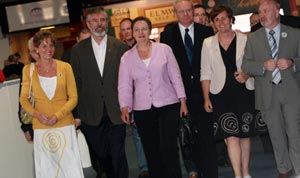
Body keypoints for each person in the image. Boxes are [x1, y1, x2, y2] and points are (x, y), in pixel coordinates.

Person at [201, 5, 267, 178]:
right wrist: (206, 97)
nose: (221, 22)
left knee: (245, 135)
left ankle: (245, 172)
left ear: (231, 19)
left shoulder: (245, 39)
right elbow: (205, 72)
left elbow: (256, 63)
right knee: (230, 136)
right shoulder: (208, 43)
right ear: (213, 24)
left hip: (244, 91)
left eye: (224, 18)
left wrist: (247, 74)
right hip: (220, 94)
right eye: (217, 20)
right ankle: (237, 175)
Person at [118, 16, 188, 178]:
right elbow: (124, 86)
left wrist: (182, 100)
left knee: (168, 146)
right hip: (142, 110)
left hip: (168, 105)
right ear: (131, 34)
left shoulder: (164, 49)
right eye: (137, 30)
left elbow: (175, 76)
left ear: (150, 31)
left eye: (144, 29)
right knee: (151, 149)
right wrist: (124, 108)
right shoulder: (126, 58)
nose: (140, 32)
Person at [242, 0, 300, 177]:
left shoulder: (295, 34)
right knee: (276, 134)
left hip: (290, 91)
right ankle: (284, 168)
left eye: (266, 11)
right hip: (267, 93)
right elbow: (246, 65)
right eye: (260, 12)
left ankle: (298, 170)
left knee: (294, 132)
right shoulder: (253, 37)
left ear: (277, 12)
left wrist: (292, 62)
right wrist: (262, 66)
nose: (262, 15)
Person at [70, 6, 129, 178]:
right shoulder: (78, 50)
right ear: (88, 24)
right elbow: (76, 83)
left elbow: (126, 80)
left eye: (102, 20)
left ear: (108, 23)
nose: (99, 24)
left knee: (118, 155)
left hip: (116, 110)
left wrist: (127, 105)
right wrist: (77, 113)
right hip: (91, 114)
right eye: (95, 21)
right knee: (103, 156)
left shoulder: (120, 47)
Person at [160, 1, 217, 178]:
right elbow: (167, 68)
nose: (185, 14)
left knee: (207, 137)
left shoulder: (206, 32)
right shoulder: (167, 36)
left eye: (188, 10)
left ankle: (210, 173)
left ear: (193, 11)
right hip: (181, 95)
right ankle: (194, 170)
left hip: (205, 92)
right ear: (175, 13)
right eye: (181, 11)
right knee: (187, 138)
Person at [19, 30, 83, 178]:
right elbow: (23, 99)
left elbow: (73, 97)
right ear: (36, 49)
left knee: (70, 168)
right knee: (48, 170)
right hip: (41, 128)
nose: (49, 49)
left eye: (51, 45)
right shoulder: (28, 70)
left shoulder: (65, 67)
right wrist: (37, 115)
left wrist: (57, 116)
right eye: (44, 46)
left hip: (65, 125)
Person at [119, 17, 150, 178]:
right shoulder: (121, 51)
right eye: (122, 29)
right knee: (138, 136)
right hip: (133, 100)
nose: (126, 32)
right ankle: (144, 167)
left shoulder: (152, 46)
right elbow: (123, 82)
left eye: (128, 29)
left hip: (152, 98)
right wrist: (125, 105)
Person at [19, 37, 40, 143]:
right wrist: (25, 127)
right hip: (36, 122)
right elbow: (23, 99)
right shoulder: (27, 70)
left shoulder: (60, 66)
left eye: (38, 49)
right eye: (33, 51)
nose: (37, 54)